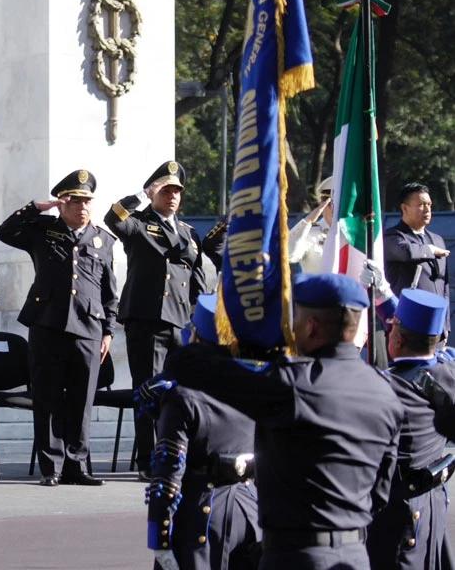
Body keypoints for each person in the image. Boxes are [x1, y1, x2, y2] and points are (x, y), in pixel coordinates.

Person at [168, 274, 404, 569]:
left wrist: (255, 341)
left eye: (294, 319)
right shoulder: (385, 393)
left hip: (295, 555)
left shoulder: (294, 386)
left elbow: (185, 363)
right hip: (354, 554)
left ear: (312, 326)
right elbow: (381, 490)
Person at [0, 170, 118, 487]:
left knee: (81, 401)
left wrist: (108, 330)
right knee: (48, 397)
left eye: (86, 201)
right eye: (75, 201)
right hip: (47, 323)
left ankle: (77, 465)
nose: (82, 207)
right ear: (63, 204)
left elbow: (109, 291)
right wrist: (38, 206)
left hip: (89, 328)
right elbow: (5, 232)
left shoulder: (103, 240)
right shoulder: (42, 230)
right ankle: (52, 466)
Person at [138, 293, 260, 570]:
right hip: (249, 506)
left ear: (195, 337)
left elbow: (168, 474)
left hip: (202, 512)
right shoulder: (257, 384)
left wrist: (160, 537)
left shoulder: (183, 395)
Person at [103, 160, 206, 481]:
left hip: (180, 322)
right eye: (166, 190)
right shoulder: (139, 223)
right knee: (149, 390)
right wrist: (142, 195)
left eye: (177, 191)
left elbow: (197, 278)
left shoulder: (188, 233)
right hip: (147, 319)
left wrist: (200, 319)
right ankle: (148, 460)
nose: (172, 196)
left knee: (180, 395)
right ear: (155, 192)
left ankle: (175, 455)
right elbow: (112, 218)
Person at [366, 289, 455, 569]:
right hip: (432, 506)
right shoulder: (447, 370)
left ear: (398, 339)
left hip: (397, 515)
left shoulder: (386, 389)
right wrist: (384, 299)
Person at [384, 183, 450, 338]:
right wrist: (431, 250)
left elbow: (443, 286)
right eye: (421, 205)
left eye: (429, 205)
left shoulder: (437, 239)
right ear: (405, 208)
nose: (427, 210)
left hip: (436, 328)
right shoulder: (393, 237)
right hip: (408, 327)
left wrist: (445, 325)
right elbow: (407, 252)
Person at [288, 176, 333, 274]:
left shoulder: (357, 233)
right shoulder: (310, 233)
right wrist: (308, 220)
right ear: (323, 205)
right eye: (332, 205)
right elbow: (289, 254)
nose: (336, 211)